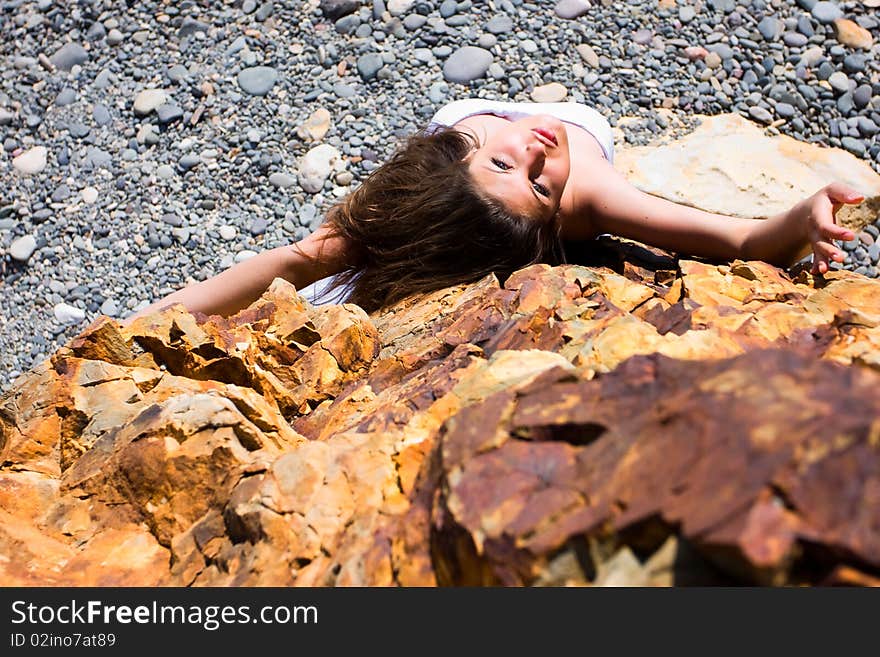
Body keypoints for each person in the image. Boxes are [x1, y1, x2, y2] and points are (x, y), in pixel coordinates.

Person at [121, 98, 865, 325]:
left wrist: (795, 222)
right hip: (420, 235)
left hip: (430, 222)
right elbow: (734, 239)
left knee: (315, 262)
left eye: (520, 170)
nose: (539, 152)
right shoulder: (581, 195)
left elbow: (734, 240)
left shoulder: (467, 170)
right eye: (533, 182)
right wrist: (799, 219)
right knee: (313, 266)